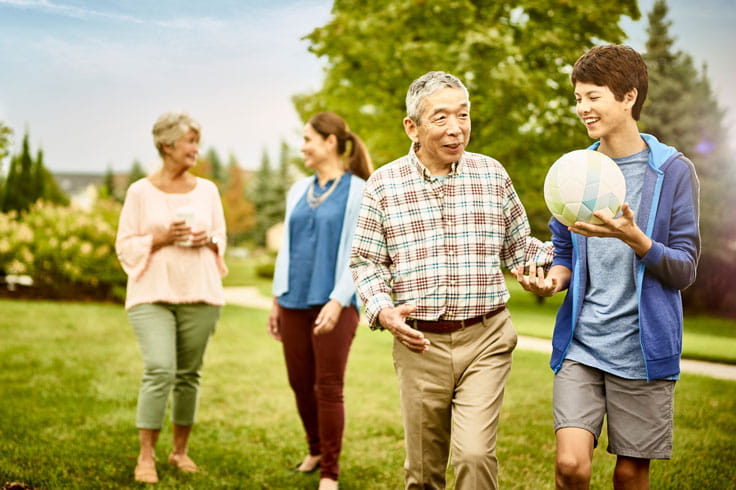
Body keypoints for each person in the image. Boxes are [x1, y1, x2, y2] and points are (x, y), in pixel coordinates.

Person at [350, 71, 554, 489]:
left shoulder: (492, 175)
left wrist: (565, 257)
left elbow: (521, 248)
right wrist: (382, 310)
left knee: (475, 454)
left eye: (463, 115)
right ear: (412, 126)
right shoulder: (383, 185)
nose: (456, 128)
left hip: (486, 338)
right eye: (441, 117)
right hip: (419, 345)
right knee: (423, 472)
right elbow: (366, 262)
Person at [514, 45, 700, 489]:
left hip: (642, 349)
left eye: (593, 96)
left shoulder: (672, 171)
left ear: (628, 96)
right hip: (583, 343)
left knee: (630, 475)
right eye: (578, 97)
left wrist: (637, 240)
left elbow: (685, 269)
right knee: (571, 466)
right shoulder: (573, 170)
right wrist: (551, 282)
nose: (582, 108)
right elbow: (564, 254)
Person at [115, 111, 228, 484]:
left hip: (200, 293)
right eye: (190, 141)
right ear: (167, 145)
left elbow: (221, 237)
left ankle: (179, 452)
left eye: (198, 141)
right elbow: (125, 246)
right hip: (152, 295)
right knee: (160, 369)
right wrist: (160, 237)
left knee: (188, 375)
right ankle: (145, 455)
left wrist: (207, 240)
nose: (196, 148)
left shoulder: (208, 191)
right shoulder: (139, 192)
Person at [268, 112, 373, 490]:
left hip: (336, 303)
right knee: (299, 382)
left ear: (330, 141)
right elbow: (287, 250)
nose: (303, 146)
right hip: (294, 299)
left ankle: (330, 470)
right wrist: (277, 299)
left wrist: (339, 300)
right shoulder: (298, 190)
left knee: (327, 385)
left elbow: (359, 253)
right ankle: (313, 450)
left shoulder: (360, 190)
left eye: (308, 139)